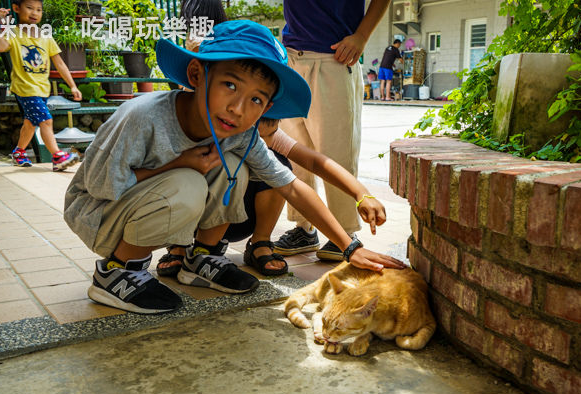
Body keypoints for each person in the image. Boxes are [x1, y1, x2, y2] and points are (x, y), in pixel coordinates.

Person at [63, 20, 404, 315]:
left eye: (256, 99)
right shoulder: (144, 117)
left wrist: (351, 248)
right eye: (230, 85)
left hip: (145, 206)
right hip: (99, 213)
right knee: (188, 182)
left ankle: (201, 258)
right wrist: (181, 163)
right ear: (198, 74)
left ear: (268, 106)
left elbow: (291, 186)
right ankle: (118, 271)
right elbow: (100, 185)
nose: (239, 109)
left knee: (234, 166)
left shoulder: (240, 135)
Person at [156, 117, 389, 278]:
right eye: (260, 137)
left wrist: (361, 194)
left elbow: (314, 162)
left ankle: (260, 243)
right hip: (196, 218)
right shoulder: (205, 129)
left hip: (239, 219)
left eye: (271, 135)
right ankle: (180, 245)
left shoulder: (267, 132)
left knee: (278, 164)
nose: (264, 144)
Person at [274, 0, 391, 261]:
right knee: (295, 152)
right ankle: (303, 227)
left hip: (335, 55)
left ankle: (345, 232)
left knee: (336, 150)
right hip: (291, 56)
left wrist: (362, 36)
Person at [0, 0, 81, 171]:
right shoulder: (13, 33)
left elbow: (60, 64)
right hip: (25, 87)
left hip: (42, 88)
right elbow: (0, 46)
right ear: (17, 8)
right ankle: (57, 156)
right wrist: (0, 23)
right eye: (30, 8)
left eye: (39, 9)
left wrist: (73, 86)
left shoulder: (46, 36)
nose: (35, 13)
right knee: (46, 120)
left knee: (30, 124)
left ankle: (18, 152)